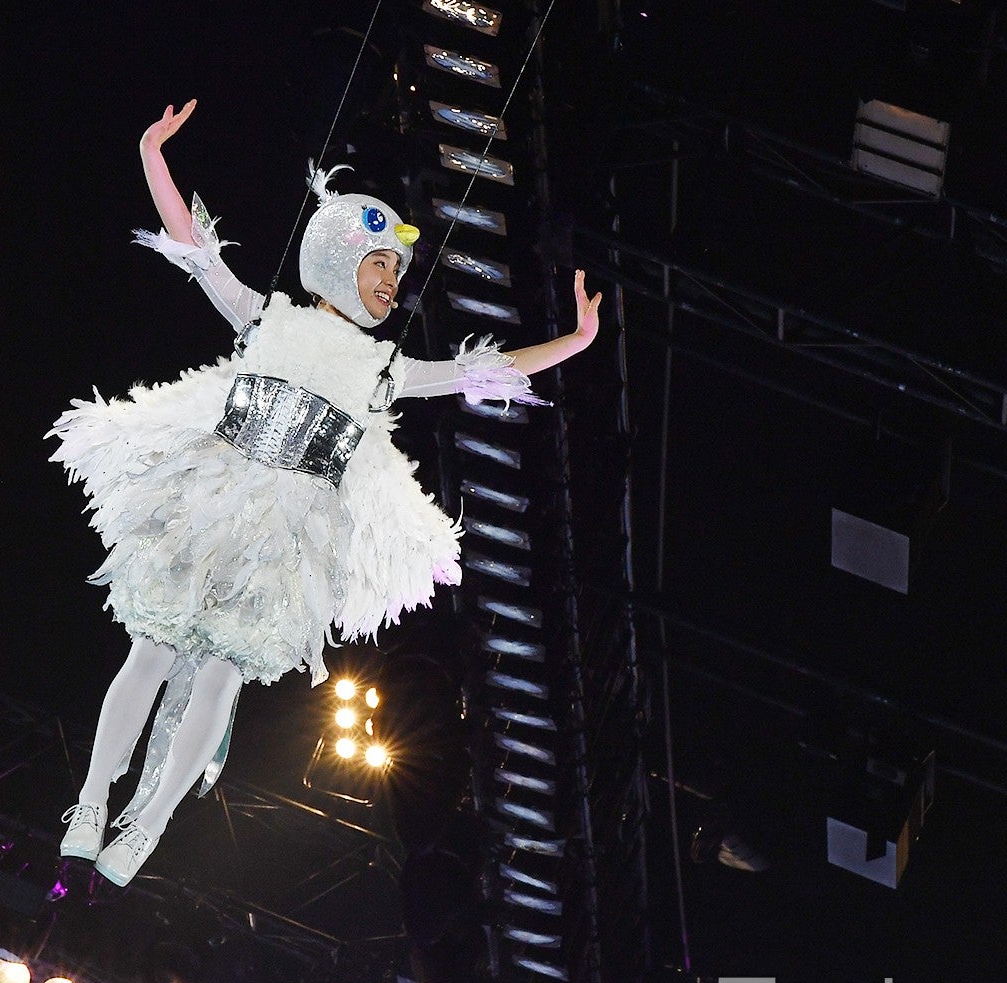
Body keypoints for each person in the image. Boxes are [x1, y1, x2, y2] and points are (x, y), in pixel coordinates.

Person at [46, 99, 602, 886]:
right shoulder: (269, 318)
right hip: (212, 506)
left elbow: (482, 373)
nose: (392, 283)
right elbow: (193, 246)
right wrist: (150, 151)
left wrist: (574, 341)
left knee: (222, 675)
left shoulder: (385, 369)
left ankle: (151, 819)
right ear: (341, 258)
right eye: (381, 265)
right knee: (153, 649)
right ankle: (92, 800)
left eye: (397, 273)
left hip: (285, 541)